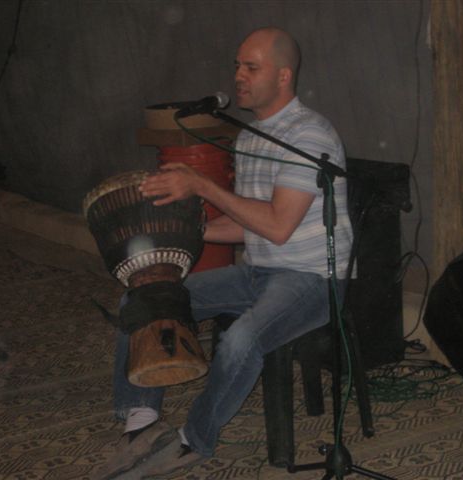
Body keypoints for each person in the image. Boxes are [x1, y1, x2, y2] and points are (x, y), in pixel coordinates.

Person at [93, 26, 353, 479]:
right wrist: (178, 238)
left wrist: (201, 184)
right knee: (144, 298)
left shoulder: (308, 135)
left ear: (284, 76)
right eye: (237, 66)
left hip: (313, 279)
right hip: (259, 272)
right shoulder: (251, 136)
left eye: (251, 67)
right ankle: (141, 423)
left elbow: (277, 226)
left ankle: (194, 439)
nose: (238, 76)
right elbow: (249, 223)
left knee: (241, 339)